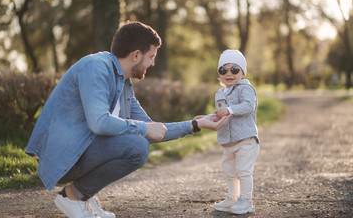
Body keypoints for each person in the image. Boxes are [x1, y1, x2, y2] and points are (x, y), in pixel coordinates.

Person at [25, 21, 232, 218]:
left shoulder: (123, 84)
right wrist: (143, 129)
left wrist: (197, 124)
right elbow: (100, 123)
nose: (152, 63)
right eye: (151, 56)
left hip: (80, 151)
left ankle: (82, 196)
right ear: (135, 55)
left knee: (139, 142)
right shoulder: (96, 67)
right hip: (63, 157)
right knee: (137, 146)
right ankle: (72, 196)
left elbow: (153, 130)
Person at [211, 50, 259, 215]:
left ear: (243, 73)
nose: (229, 73)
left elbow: (248, 106)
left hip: (245, 139)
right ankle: (232, 198)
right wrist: (208, 118)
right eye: (223, 70)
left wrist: (229, 109)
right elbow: (221, 113)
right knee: (229, 171)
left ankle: (246, 201)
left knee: (243, 171)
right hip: (228, 141)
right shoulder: (220, 94)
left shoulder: (245, 88)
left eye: (234, 69)